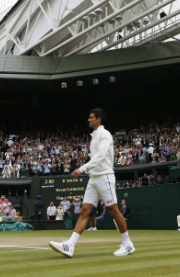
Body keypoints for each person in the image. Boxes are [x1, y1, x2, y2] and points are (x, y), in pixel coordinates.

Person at [49, 108, 135, 257]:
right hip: (94, 178)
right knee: (84, 211)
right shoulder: (94, 136)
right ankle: (70, 245)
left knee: (113, 210)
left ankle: (127, 244)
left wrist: (82, 168)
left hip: (105, 176)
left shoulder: (105, 134)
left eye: (91, 117)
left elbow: (101, 155)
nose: (88, 119)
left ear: (98, 119)